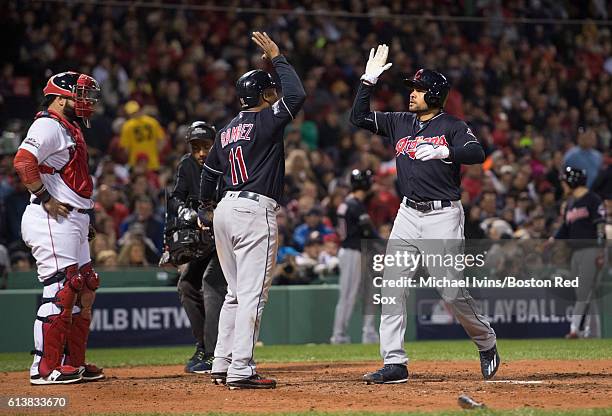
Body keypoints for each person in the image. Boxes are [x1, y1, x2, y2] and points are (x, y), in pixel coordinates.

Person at [350, 45, 499, 384]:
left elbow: (477, 152)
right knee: (392, 287)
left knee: (449, 291)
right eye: (411, 89)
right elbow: (358, 118)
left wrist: (447, 149)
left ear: (434, 94)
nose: (411, 94)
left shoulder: (451, 125)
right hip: (407, 214)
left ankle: (485, 340)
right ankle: (395, 362)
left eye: (417, 89)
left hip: (441, 216)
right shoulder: (400, 121)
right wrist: (367, 81)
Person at [199, 32, 305, 389]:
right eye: (270, 91)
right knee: (252, 295)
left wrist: (204, 208)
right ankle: (241, 367)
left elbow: (210, 175)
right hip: (253, 211)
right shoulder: (266, 120)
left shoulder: (226, 130)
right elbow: (296, 95)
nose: (274, 94)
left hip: (224, 210)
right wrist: (278, 57)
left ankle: (221, 361)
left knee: (234, 292)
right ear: (263, 95)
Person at [12, 71, 104, 384]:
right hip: (51, 217)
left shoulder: (69, 127)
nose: (85, 101)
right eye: (79, 95)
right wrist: (46, 197)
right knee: (62, 291)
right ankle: (43, 368)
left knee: (85, 287)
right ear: (59, 97)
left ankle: (71, 362)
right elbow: (23, 161)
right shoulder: (48, 124)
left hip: (73, 216)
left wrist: (84, 216)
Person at [167, 121, 226, 373]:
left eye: (206, 146)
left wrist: (209, 216)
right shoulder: (187, 164)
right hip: (202, 239)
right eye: (196, 147)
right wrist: (188, 215)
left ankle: (216, 354)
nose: (201, 152)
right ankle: (203, 347)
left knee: (211, 284)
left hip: (225, 236)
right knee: (187, 284)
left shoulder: (226, 163)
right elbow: (176, 196)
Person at [550, 167, 606, 339]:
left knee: (583, 292)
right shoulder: (571, 203)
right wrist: (552, 239)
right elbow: (565, 229)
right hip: (575, 252)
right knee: (587, 293)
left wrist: (600, 250)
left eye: (564, 181)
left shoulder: (593, 199)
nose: (563, 184)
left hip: (591, 250)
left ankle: (575, 329)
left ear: (572, 181)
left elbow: (600, 226)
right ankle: (593, 332)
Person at [330, 169, 379, 345]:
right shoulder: (355, 205)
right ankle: (339, 335)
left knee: (368, 293)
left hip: (354, 251)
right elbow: (369, 232)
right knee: (348, 295)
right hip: (352, 251)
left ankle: (369, 333)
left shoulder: (347, 203)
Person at [119, 100, 166, 171]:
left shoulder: (127, 126)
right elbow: (162, 140)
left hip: (136, 163)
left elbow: (126, 149)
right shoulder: (152, 122)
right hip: (152, 162)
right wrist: (155, 152)